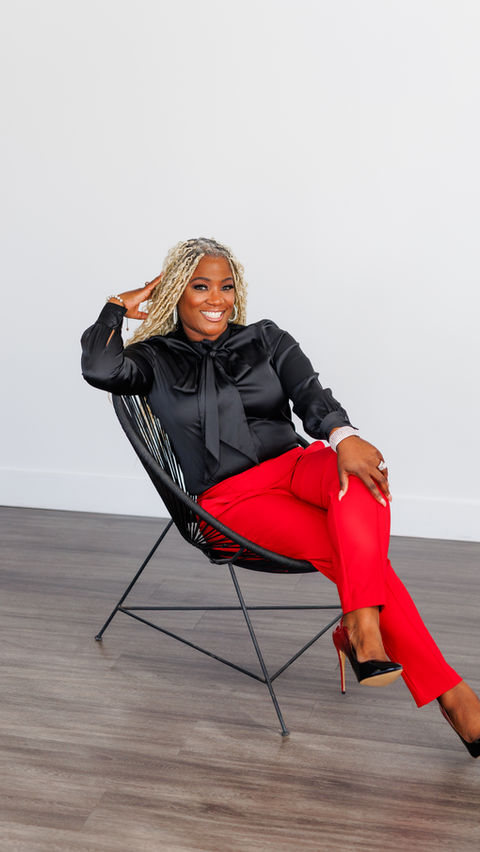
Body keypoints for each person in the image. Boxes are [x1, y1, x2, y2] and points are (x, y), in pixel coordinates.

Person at [81, 236, 480, 757]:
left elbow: (311, 393)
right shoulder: (152, 358)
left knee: (364, 473)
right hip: (230, 499)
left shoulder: (265, 338)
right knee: (350, 552)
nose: (216, 299)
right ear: (176, 291)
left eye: (226, 287)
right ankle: (452, 694)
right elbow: (99, 368)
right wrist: (116, 306)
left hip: (293, 466)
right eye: (200, 286)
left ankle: (361, 625)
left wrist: (343, 435)